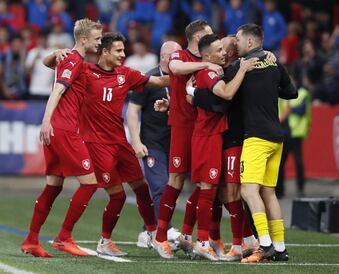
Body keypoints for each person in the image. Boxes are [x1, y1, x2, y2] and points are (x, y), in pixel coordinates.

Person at [46, 32, 171, 257]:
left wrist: (192, 72)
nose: (124, 55)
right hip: (96, 144)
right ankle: (102, 241)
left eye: (124, 50)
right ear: (105, 52)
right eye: (119, 51)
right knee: (118, 195)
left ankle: (154, 235)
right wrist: (54, 54)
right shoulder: (84, 71)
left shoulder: (126, 74)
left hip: (120, 143)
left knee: (142, 189)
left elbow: (159, 81)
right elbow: (53, 68)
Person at [20, 18, 103, 258]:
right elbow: (58, 89)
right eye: (96, 39)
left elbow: (51, 66)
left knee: (53, 186)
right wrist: (46, 121)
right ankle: (64, 237)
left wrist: (54, 54)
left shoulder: (69, 59)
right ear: (84, 39)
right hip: (63, 130)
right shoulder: (74, 60)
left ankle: (31, 240)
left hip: (57, 130)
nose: (98, 43)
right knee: (90, 183)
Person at [153, 19, 223, 259]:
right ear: (197, 37)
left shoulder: (211, 59)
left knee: (209, 182)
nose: (214, 38)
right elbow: (176, 69)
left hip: (205, 126)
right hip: (183, 125)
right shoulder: (179, 55)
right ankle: (160, 236)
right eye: (209, 34)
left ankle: (192, 236)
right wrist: (204, 64)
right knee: (176, 179)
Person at [189, 33, 257, 261]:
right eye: (221, 49)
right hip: (212, 137)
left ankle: (243, 242)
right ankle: (203, 240)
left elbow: (220, 101)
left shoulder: (226, 70)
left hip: (227, 138)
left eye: (228, 49)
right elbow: (222, 98)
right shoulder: (212, 71)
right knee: (213, 191)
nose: (226, 52)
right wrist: (194, 93)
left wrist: (194, 94)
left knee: (225, 192)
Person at [234, 24, 296, 263]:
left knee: (248, 190)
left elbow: (224, 93)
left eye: (238, 39)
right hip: (276, 137)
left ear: (250, 43)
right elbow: (292, 93)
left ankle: (265, 246)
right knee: (268, 192)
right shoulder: (274, 63)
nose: (236, 43)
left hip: (256, 138)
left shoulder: (242, 68)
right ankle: (280, 249)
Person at [126, 41, 182, 248]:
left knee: (172, 188)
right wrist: (136, 141)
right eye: (176, 56)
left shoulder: (183, 77)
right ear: (165, 57)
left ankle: (147, 230)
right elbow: (132, 111)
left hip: (176, 143)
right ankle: (165, 231)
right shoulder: (149, 78)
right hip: (153, 143)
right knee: (160, 186)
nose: (180, 59)